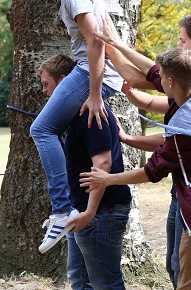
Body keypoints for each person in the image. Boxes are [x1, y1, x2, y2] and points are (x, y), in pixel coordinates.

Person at [80, 47, 191, 290]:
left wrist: (107, 179)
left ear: (170, 82)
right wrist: (114, 43)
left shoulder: (185, 125)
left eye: (161, 78)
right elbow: (152, 71)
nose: (156, 81)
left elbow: (152, 171)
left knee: (189, 285)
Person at [17, 0, 124, 253]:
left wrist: (94, 94)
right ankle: (68, 207)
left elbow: (96, 42)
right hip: (90, 72)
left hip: (89, 73)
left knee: (41, 129)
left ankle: (63, 210)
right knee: (57, 133)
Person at [64, 103, 132, 289]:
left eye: (46, 84)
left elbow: (102, 163)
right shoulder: (76, 113)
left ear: (62, 80)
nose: (45, 90)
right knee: (79, 277)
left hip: (101, 213)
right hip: (83, 211)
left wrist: (90, 212)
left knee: (106, 283)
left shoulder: (92, 115)